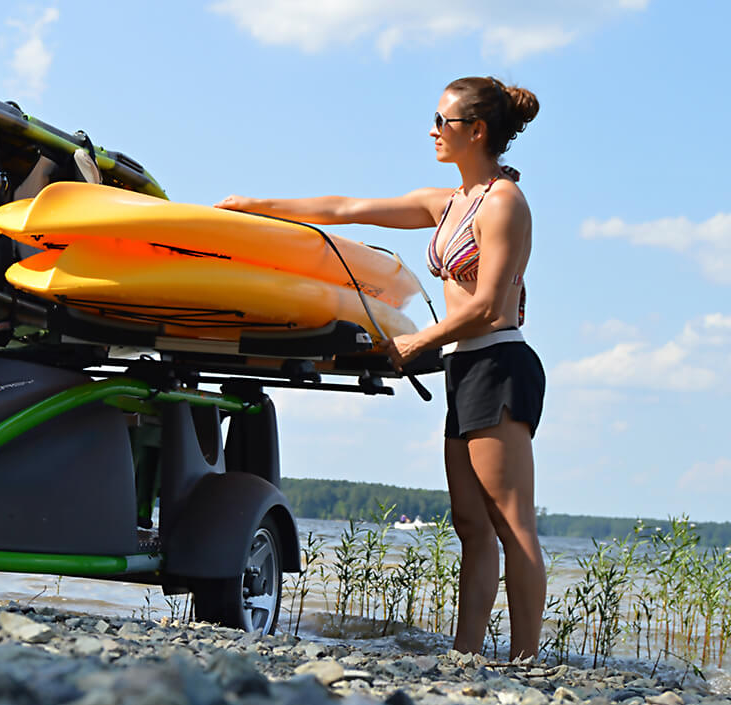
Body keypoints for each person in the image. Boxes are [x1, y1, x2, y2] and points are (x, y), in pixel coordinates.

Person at [216, 76, 545, 660]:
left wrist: (418, 344)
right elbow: (347, 209)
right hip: (465, 366)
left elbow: (492, 306)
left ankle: (525, 660)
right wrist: (255, 208)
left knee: (512, 523)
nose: (432, 130)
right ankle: (467, 652)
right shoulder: (447, 203)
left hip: (500, 362)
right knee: (471, 525)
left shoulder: (504, 203)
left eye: (442, 121)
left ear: (477, 131)